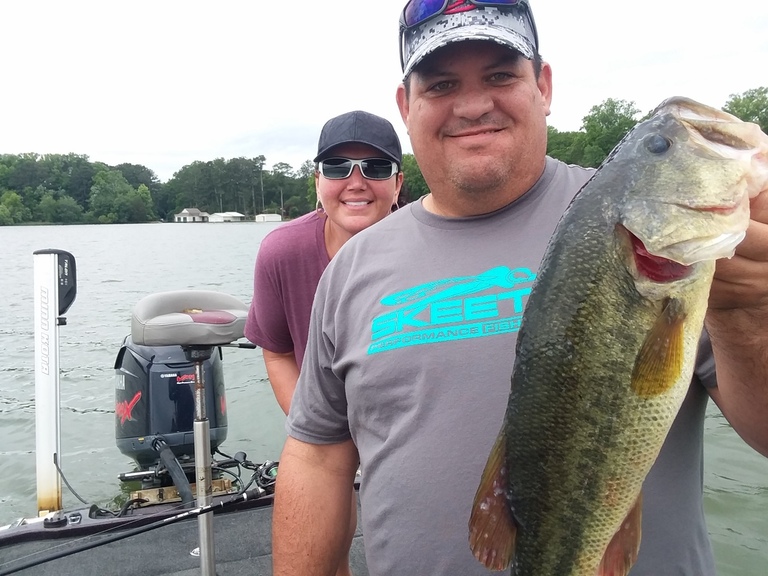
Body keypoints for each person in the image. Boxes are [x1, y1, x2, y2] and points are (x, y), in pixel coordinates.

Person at [272, 2, 768, 575]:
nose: (473, 105)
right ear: (406, 106)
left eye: (500, 75)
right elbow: (317, 457)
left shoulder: (683, 252)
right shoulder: (350, 269)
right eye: (441, 84)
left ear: (544, 86)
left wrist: (749, 312)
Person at [244, 110, 404, 576]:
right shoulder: (282, 252)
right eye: (337, 168)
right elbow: (277, 350)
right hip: (325, 407)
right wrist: (316, 428)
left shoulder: (433, 247)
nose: (356, 182)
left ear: (398, 183)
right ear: (317, 181)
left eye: (375, 167)